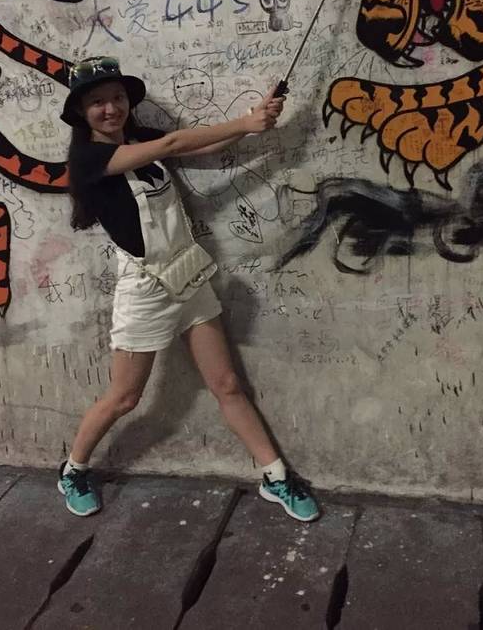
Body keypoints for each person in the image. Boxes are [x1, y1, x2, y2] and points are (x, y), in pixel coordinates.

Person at [58, 55, 319, 523]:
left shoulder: (138, 140)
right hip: (145, 287)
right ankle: (73, 470)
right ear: (80, 111)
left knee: (227, 384)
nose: (111, 108)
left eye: (117, 97)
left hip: (188, 274)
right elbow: (175, 142)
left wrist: (254, 122)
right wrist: (245, 122)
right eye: (97, 102)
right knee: (125, 398)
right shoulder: (88, 159)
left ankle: (275, 476)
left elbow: (195, 147)